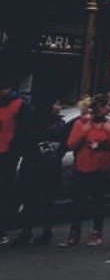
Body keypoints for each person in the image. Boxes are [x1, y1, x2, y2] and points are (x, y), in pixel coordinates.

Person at [62, 94, 110, 247]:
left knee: (98, 203)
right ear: (99, 107)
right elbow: (71, 144)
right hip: (81, 168)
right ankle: (74, 233)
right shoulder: (81, 123)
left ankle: (97, 233)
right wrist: (85, 130)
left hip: (100, 169)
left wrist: (109, 132)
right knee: (78, 204)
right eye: (108, 105)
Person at [13, 99, 66, 246]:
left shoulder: (61, 124)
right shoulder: (33, 124)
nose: (59, 107)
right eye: (56, 104)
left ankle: (45, 232)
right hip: (34, 168)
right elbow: (24, 145)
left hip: (50, 168)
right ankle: (27, 231)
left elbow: (64, 146)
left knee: (47, 202)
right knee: (30, 201)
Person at [0, 80, 28, 246]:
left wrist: (16, 151)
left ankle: (2, 229)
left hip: (8, 154)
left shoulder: (19, 105)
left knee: (4, 192)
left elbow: (24, 131)